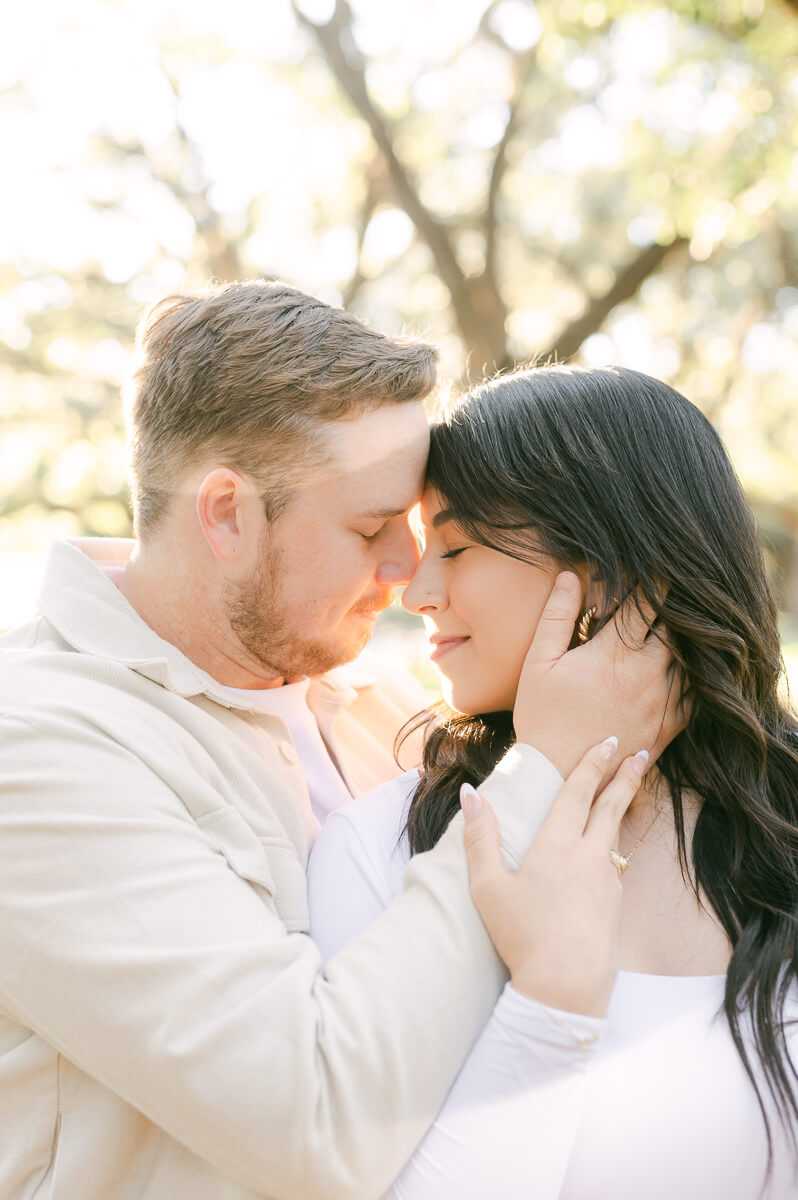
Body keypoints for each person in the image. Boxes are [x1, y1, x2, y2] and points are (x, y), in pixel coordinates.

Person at [0, 283, 677, 1200]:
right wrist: (544, 767)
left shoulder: (381, 704)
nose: (408, 572)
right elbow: (314, 1125)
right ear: (228, 513)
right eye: (369, 528)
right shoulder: (40, 750)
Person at [307, 364, 798, 1200]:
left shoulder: (781, 827)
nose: (417, 592)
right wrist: (550, 1001)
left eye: (455, 548)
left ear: (606, 571)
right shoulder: (381, 850)